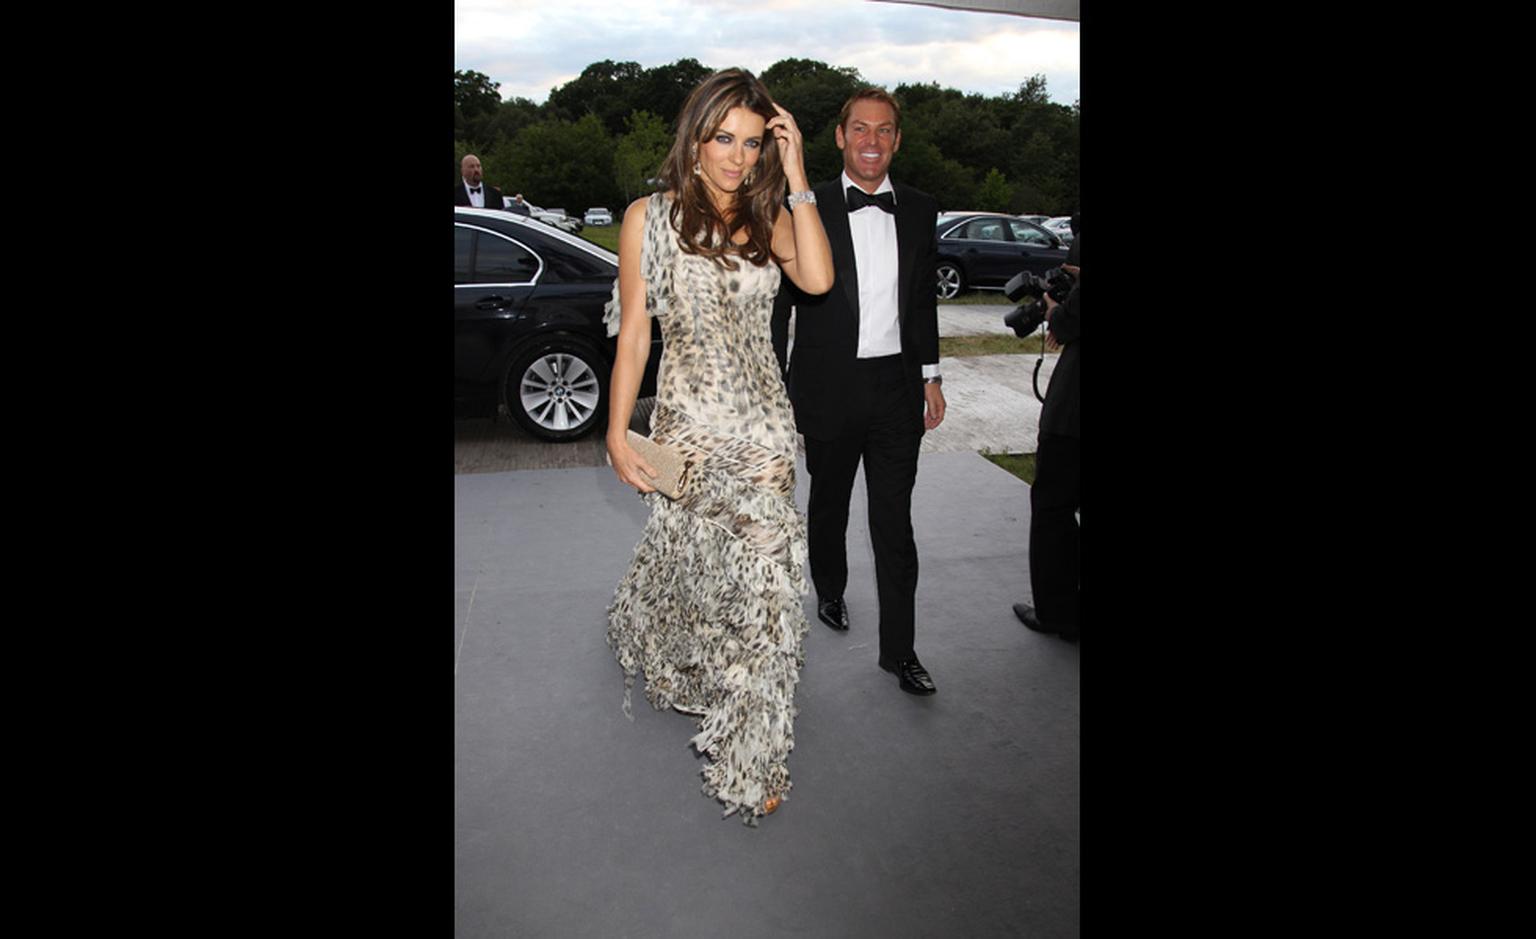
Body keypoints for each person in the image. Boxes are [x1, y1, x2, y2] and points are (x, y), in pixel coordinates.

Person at [604, 69, 833, 823]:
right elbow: (636, 329)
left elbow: (821, 278)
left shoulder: (769, 215)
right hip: (689, 426)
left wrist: (797, 171)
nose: (735, 156)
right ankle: (692, 660)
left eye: (751, 140)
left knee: (772, 586)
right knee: (705, 569)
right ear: (694, 138)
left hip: (765, 430)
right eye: (722, 138)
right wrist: (615, 427)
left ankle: (750, 753)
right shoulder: (650, 216)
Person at [770, 88, 946, 697]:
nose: (872, 141)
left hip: (897, 390)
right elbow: (779, 303)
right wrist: (772, 379)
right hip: (828, 387)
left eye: (885, 130)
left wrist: (931, 375)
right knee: (830, 501)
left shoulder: (922, 210)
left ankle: (901, 652)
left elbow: (921, 301)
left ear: (897, 140)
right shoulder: (804, 202)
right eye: (860, 129)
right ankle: (832, 588)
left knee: (893, 522)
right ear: (841, 136)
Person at [1013, 228, 1080, 642]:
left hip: (1071, 422)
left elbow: (1069, 323)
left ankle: (1056, 612)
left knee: (1053, 513)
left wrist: (1056, 307)